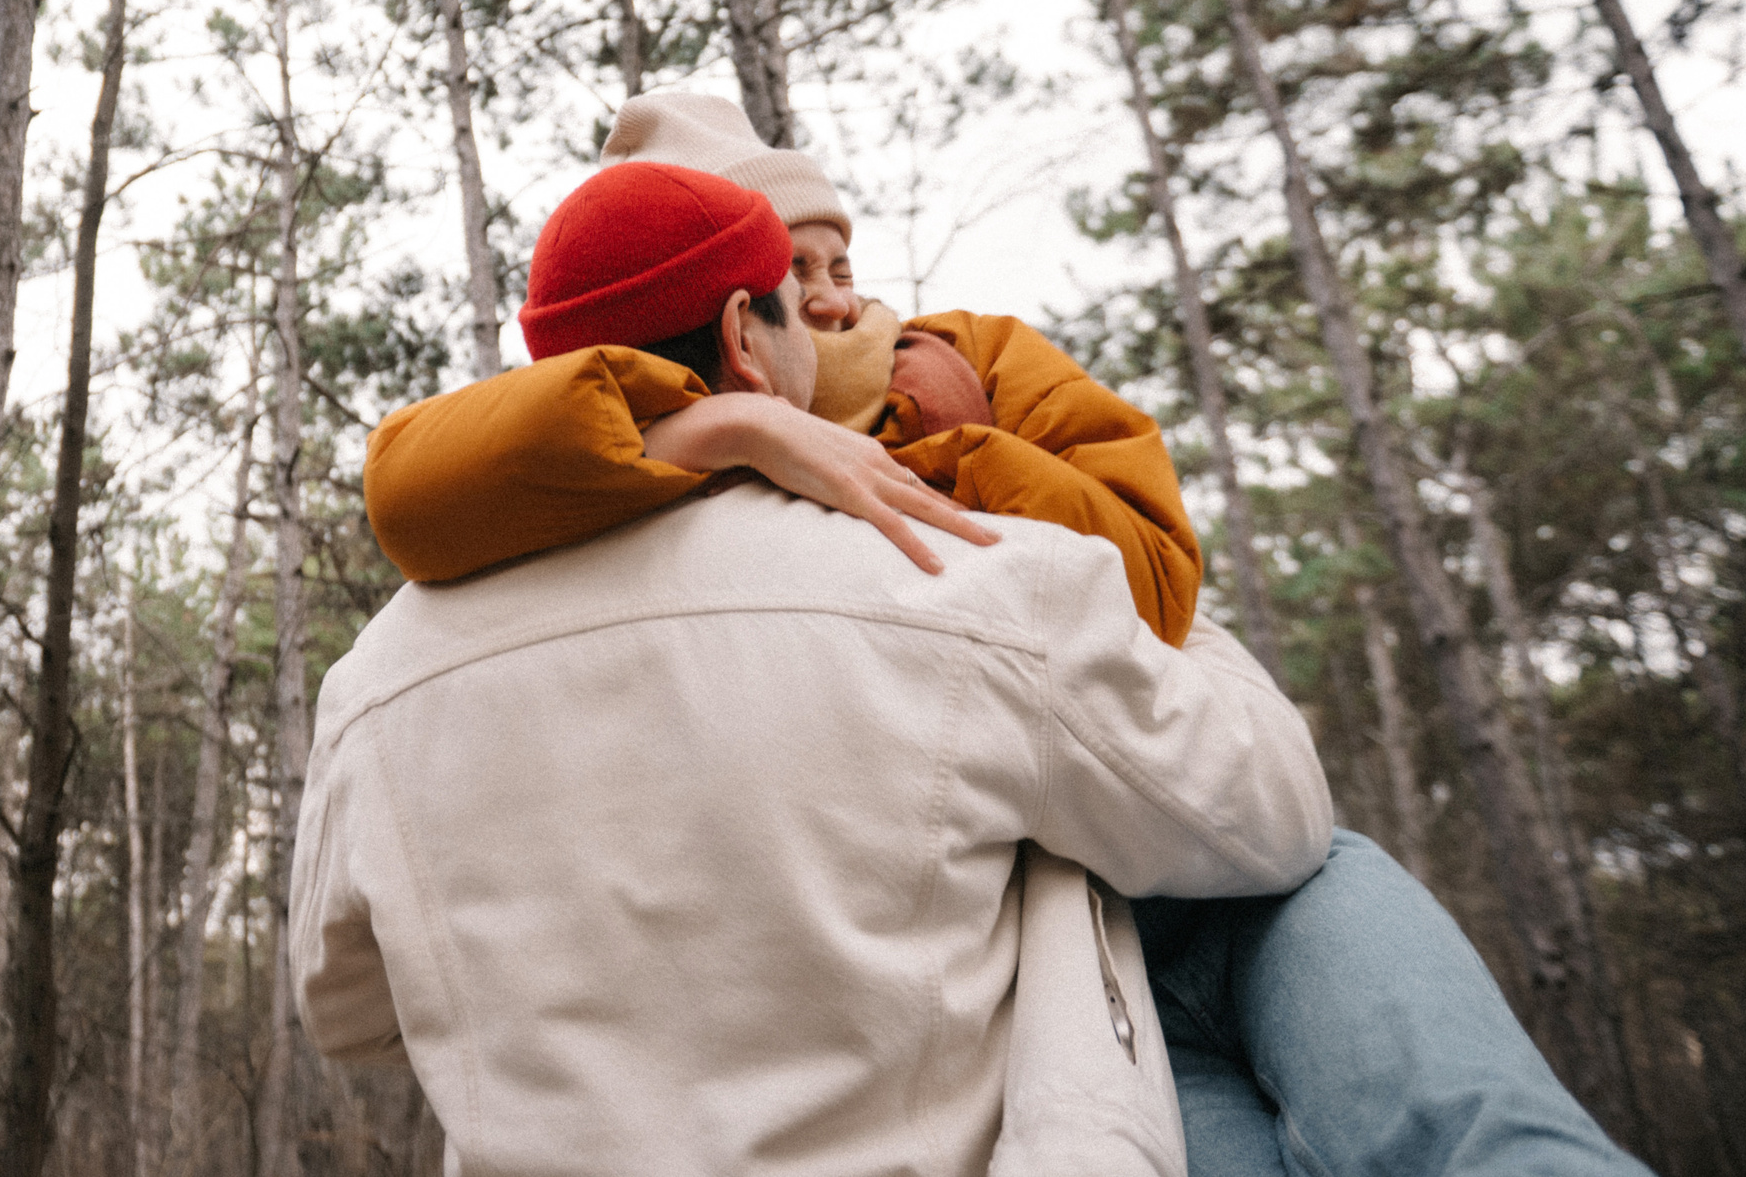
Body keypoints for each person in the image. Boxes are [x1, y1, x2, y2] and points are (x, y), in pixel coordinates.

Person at [356, 93, 1652, 1177]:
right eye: (788, 273)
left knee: (1463, 1109)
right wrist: (727, 430)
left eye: (838, 262)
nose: (827, 297)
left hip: (1169, 860)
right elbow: (423, 473)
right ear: (732, 320)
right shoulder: (599, 470)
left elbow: (1158, 576)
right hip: (1050, 950)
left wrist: (954, 459)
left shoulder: (960, 362)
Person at [293, 161, 1336, 1176]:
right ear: (742, 334)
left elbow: (348, 1009)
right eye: (798, 298)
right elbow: (1272, 814)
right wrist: (1174, 622)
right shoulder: (954, 577)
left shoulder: (370, 683)